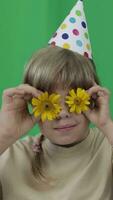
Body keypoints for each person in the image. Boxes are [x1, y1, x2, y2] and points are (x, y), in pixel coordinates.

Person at [0, 46, 113, 200]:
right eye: (49, 102)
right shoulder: (10, 155)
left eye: (73, 100)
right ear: (32, 103)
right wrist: (4, 134)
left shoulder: (107, 147)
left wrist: (107, 125)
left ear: (93, 98)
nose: (63, 113)